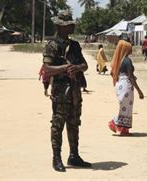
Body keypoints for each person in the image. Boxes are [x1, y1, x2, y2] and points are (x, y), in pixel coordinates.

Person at [42, 10, 91, 172]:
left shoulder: (75, 46)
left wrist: (76, 68)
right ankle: (56, 158)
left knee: (74, 122)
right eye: (69, 24)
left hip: (75, 91)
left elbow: (85, 66)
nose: (72, 26)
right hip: (60, 92)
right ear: (60, 27)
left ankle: (74, 156)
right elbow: (47, 69)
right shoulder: (52, 45)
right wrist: (64, 68)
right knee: (58, 124)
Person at [108, 40, 145, 136]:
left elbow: (112, 73)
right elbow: (130, 77)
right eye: (130, 47)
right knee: (126, 107)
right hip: (126, 85)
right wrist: (139, 91)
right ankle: (114, 122)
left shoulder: (119, 60)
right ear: (126, 49)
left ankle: (124, 129)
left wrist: (120, 79)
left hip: (120, 84)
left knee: (124, 107)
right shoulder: (127, 60)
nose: (131, 48)